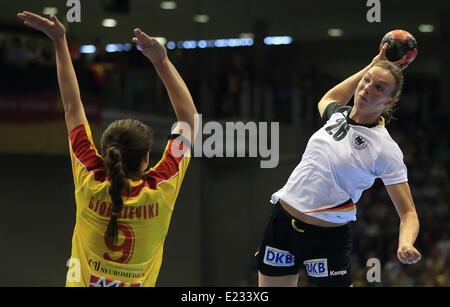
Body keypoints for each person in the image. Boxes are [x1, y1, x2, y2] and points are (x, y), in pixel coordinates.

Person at [17, 11, 198, 287]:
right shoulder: (161, 189)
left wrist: (59, 42)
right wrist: (161, 61)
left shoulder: (90, 178)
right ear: (146, 160)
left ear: (104, 153)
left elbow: (71, 107)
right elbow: (188, 120)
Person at [255, 44, 421, 287]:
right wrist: (372, 65)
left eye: (379, 88)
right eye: (366, 81)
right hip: (282, 226)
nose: (366, 89)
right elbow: (329, 98)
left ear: (390, 101)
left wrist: (405, 243)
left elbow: (408, 213)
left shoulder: (384, 148)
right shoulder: (336, 116)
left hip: (327, 238)